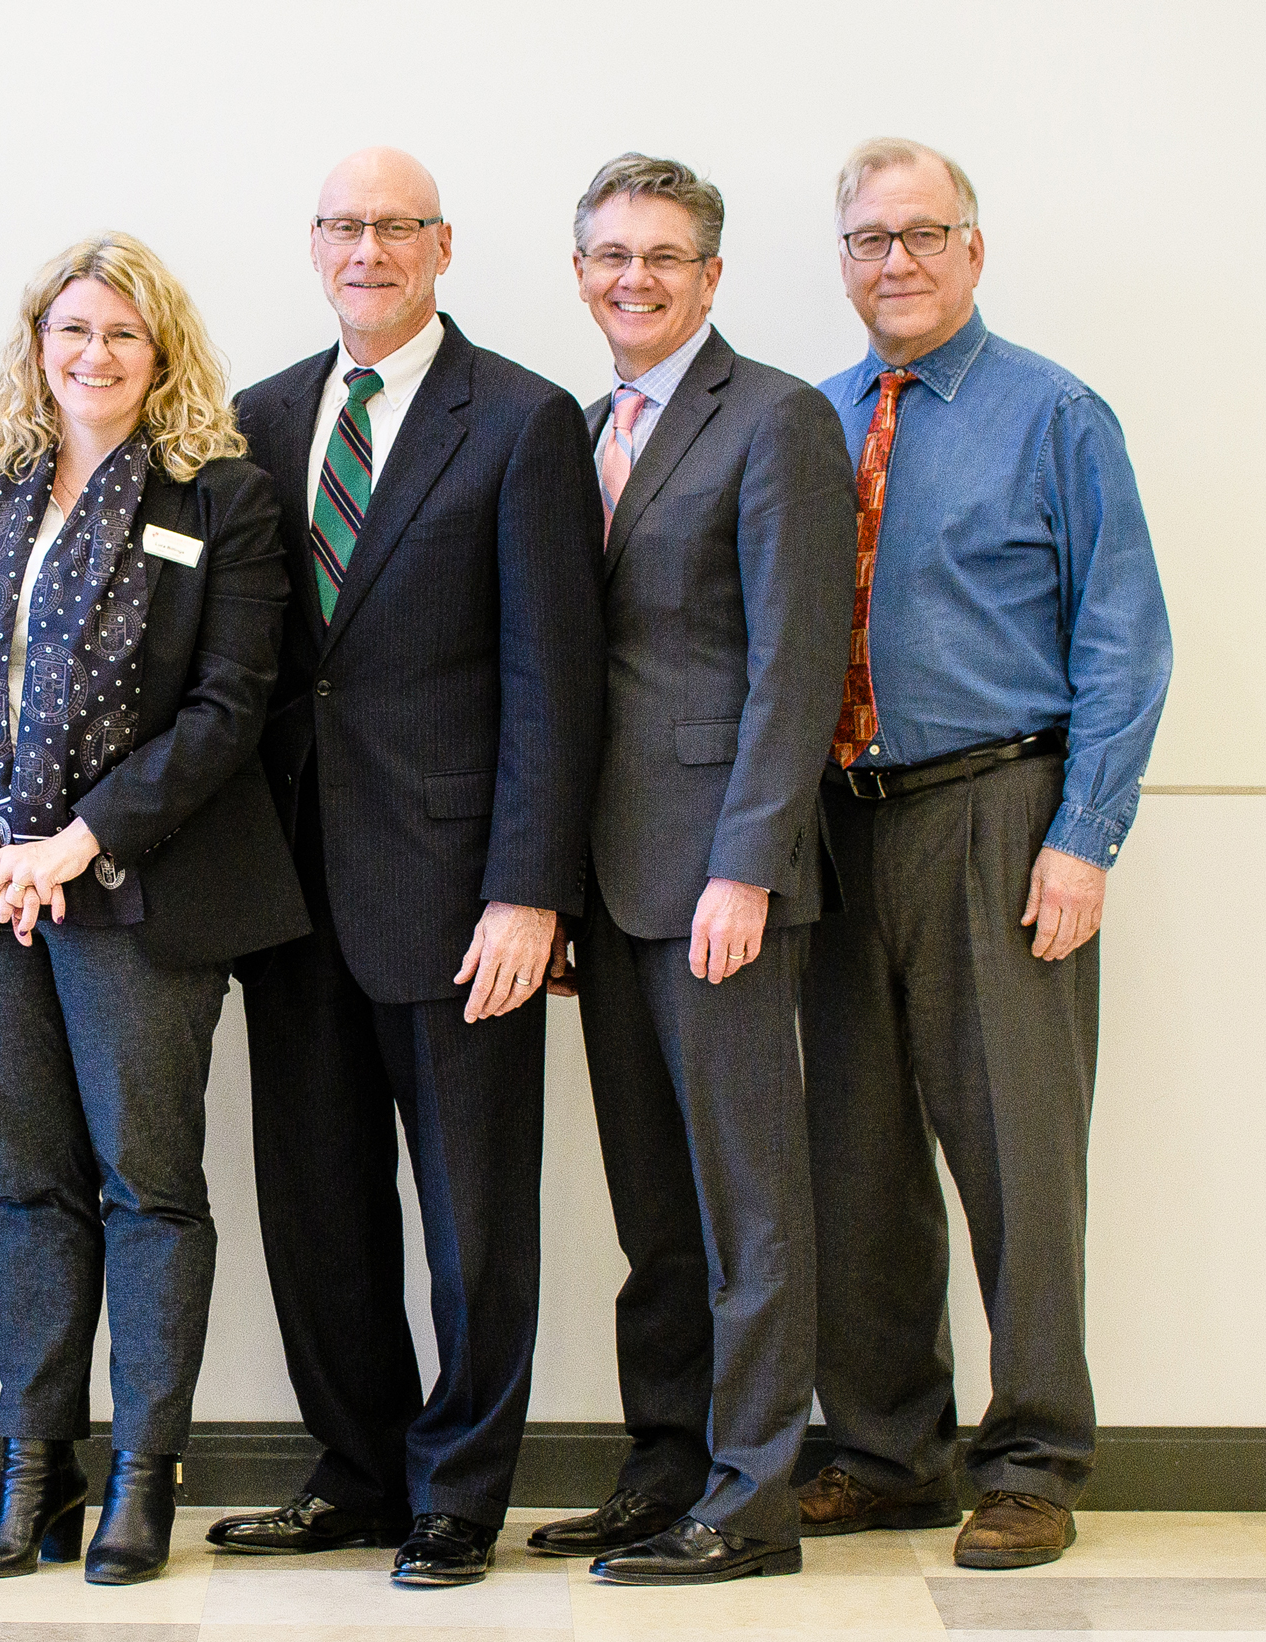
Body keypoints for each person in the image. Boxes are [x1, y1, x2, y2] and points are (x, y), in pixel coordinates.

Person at [210, 146, 604, 1589]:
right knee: (316, 1205)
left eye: (394, 226)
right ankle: (358, 1468)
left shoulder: (519, 420)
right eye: (342, 225)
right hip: (283, 887)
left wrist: (531, 887)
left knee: (474, 1215)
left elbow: (553, 680)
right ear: (313, 246)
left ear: (442, 245)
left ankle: (459, 1490)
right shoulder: (251, 420)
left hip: (457, 896)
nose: (366, 247)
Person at [0, 233, 306, 1586]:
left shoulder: (219, 495)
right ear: (37, 343)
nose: (94, 354)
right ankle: (33, 1476)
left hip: (136, 893)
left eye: (123, 332)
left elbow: (228, 709)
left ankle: (143, 1476)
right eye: (71, 329)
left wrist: (72, 843)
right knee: (34, 1190)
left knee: (148, 1189)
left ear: (163, 349)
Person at [797, 137, 1171, 1570]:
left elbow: (1125, 639)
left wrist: (1084, 836)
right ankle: (889, 1446)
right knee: (856, 1156)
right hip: (834, 825)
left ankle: (1032, 1456)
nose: (896, 260)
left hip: (998, 813)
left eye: (922, 234)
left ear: (973, 247)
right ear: (841, 262)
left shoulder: (1056, 413)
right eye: (869, 240)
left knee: (1017, 1153)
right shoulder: (809, 420)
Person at [524, 155, 857, 1585]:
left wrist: (749, 867)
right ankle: (663, 1465)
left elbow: (795, 666)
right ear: (582, 270)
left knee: (746, 1202)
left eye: (664, 256)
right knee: (655, 1209)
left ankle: (754, 1490)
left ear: (711, 276)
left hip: (720, 881)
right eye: (610, 255)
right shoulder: (588, 424)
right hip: (612, 881)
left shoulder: (772, 419)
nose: (635, 277)